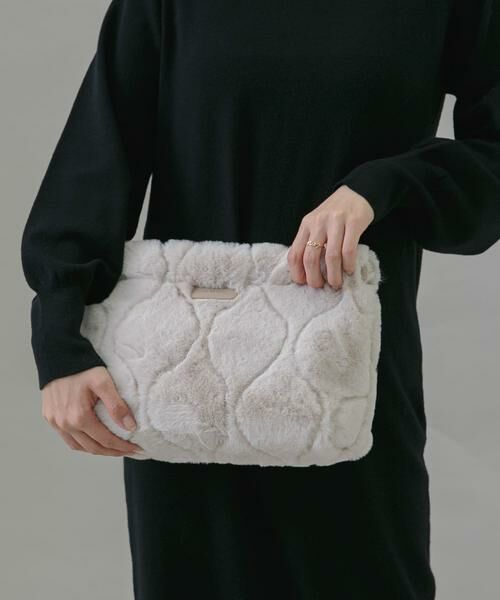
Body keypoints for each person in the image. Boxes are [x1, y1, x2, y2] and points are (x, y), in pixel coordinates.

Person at [20, 1, 500, 599]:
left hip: (353, 383)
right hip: (187, 387)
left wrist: (382, 187)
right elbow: (98, 158)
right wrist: (59, 339)